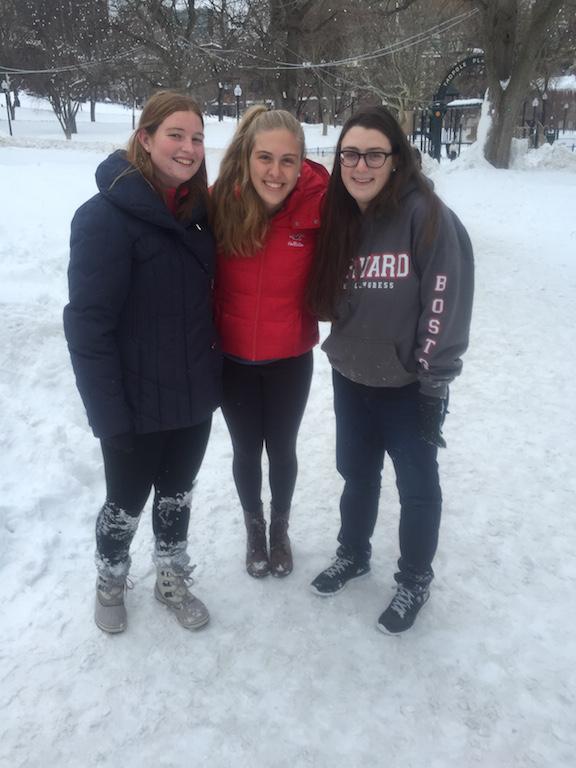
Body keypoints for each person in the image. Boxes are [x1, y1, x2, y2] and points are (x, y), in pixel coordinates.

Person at [307, 106, 474, 634]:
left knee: (418, 489)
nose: (360, 165)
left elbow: (445, 303)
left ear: (395, 158)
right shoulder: (340, 216)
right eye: (350, 154)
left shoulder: (427, 217)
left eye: (374, 154)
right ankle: (353, 553)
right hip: (352, 377)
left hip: (410, 387)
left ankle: (414, 579)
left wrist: (433, 384)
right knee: (357, 477)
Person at [63, 91, 222, 634]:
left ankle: (170, 575)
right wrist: (108, 415)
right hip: (132, 404)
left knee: (176, 498)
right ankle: (110, 576)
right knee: (125, 503)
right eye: (175, 134)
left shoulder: (201, 217)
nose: (188, 147)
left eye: (197, 138)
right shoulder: (104, 217)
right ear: (145, 138)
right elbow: (88, 326)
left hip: (192, 398)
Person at [211, 106, 329, 579]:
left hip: (290, 357)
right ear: (247, 156)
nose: (275, 172)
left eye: (287, 160)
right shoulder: (219, 203)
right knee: (245, 449)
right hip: (233, 357)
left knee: (282, 448)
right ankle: (254, 527)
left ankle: (279, 528)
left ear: (302, 163)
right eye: (265, 158)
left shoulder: (320, 208)